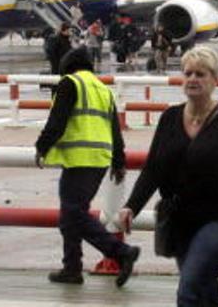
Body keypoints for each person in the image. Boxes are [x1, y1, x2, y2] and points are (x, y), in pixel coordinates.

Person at [117, 46, 218, 306]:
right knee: (206, 294)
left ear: (215, 80)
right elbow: (153, 168)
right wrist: (131, 205)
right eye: (188, 73)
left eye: (200, 74)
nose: (192, 79)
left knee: (189, 290)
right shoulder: (169, 118)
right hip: (180, 221)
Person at [34, 47, 141, 287]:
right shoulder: (102, 89)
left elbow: (57, 121)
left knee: (73, 214)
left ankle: (120, 252)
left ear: (67, 67)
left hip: (79, 158)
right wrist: (119, 160)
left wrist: (41, 146)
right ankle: (71, 268)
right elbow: (114, 128)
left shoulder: (70, 83)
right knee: (71, 215)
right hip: (100, 159)